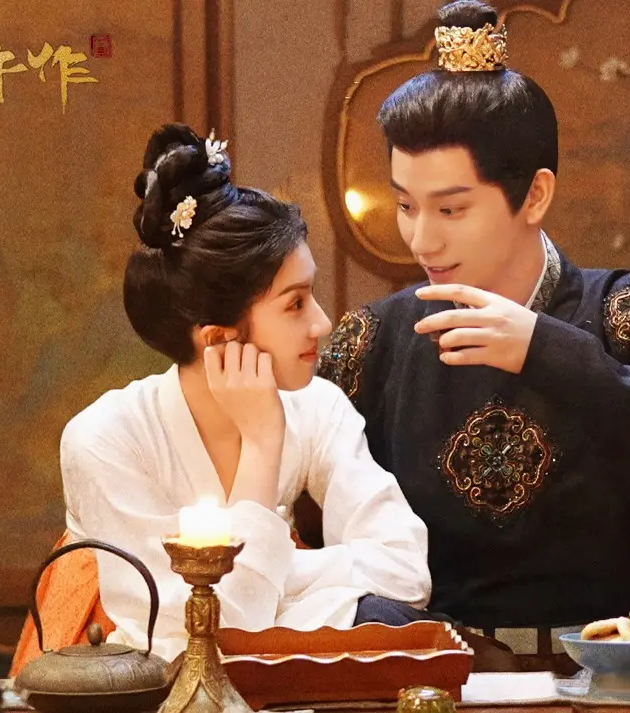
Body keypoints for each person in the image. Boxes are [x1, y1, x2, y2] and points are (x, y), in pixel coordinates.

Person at [317, 0, 630, 670]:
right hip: (449, 676)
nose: (421, 239)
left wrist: (551, 353)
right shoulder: (373, 343)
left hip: (619, 674)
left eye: (451, 209)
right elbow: (319, 547)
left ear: (534, 195)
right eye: (407, 205)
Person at [54, 123, 431, 664]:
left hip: (270, 661)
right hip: (143, 677)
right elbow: (204, 637)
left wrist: (274, 573)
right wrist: (261, 444)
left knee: (386, 622)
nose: (322, 323)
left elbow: (406, 572)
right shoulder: (105, 439)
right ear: (218, 338)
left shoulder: (316, 406)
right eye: (295, 304)